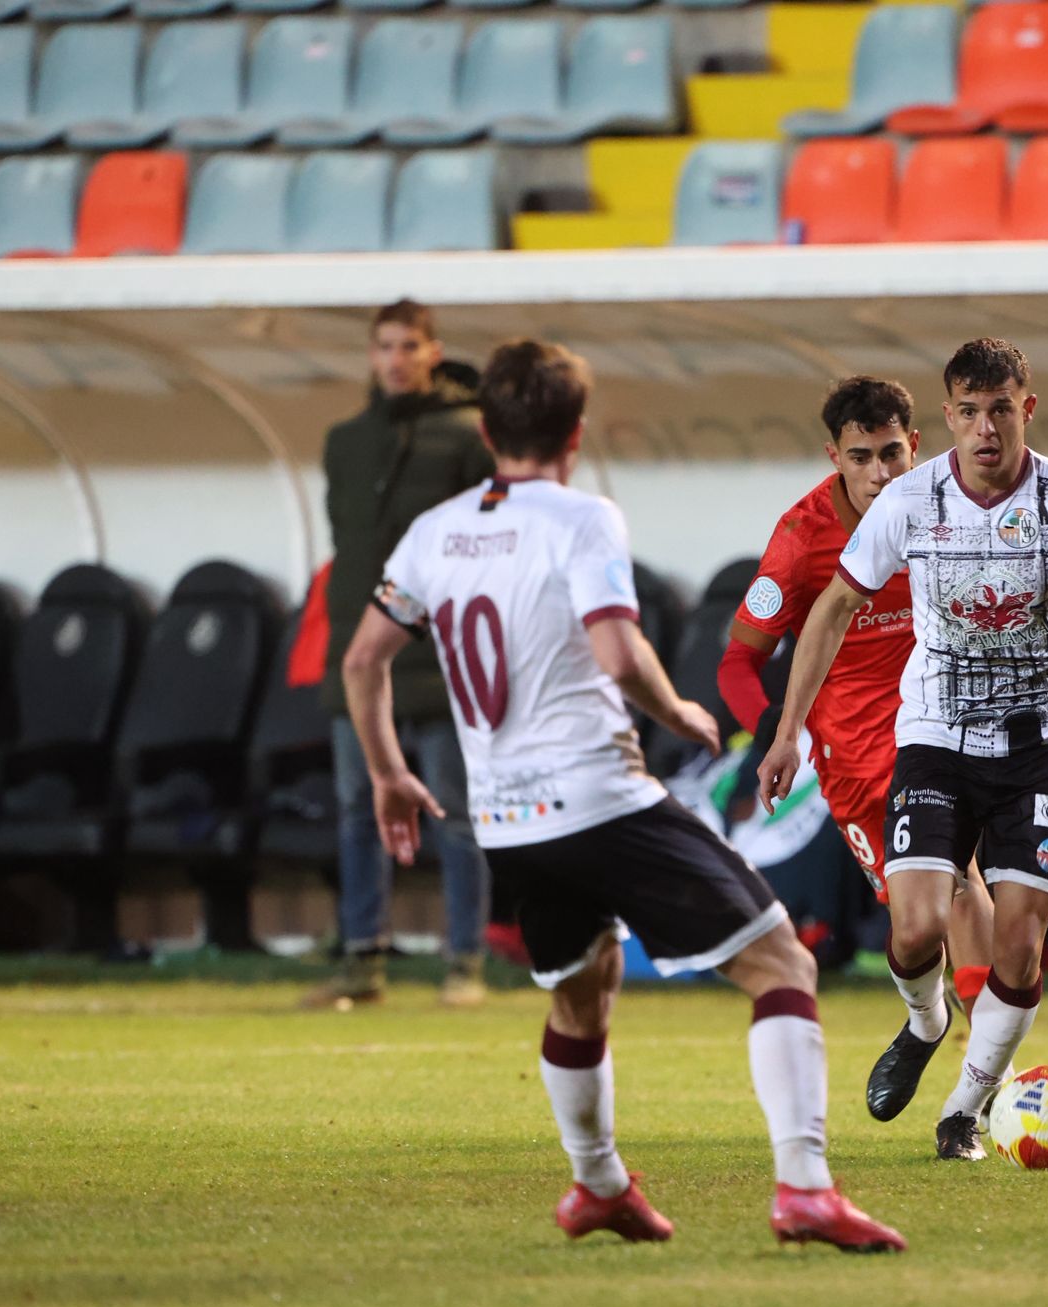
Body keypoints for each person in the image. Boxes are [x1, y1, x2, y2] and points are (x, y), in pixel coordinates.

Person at [339, 339, 904, 1251]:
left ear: (486, 432)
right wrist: (677, 707)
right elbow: (613, 649)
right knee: (781, 968)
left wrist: (386, 771)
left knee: (582, 992)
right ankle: (804, 1188)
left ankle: (598, 1186)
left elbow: (363, 659)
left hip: (505, 818)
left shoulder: (433, 532)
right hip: (599, 798)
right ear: (577, 434)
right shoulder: (581, 517)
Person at [758, 337, 1048, 1161]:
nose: (987, 428)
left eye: (1002, 410)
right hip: (939, 735)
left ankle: (964, 1110)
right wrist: (788, 729)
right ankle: (925, 1018)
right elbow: (833, 609)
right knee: (913, 931)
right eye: (971, 412)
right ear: (947, 418)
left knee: (1017, 939)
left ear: (1028, 409)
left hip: (1045, 741)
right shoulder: (911, 501)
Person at [717, 377, 994, 1016]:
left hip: (942, 726)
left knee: (960, 879)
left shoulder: (956, 508)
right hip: (855, 755)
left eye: (892, 453)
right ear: (834, 458)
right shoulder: (801, 537)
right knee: (915, 925)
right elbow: (738, 662)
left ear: (916, 445)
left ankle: (989, 1066)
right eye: (860, 458)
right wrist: (774, 731)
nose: (879, 474)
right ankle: (927, 1021)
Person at [306, 299, 495, 1010]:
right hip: (361, 648)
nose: (395, 358)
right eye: (384, 346)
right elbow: (346, 546)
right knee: (357, 809)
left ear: (433, 352)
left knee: (456, 814)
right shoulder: (344, 441)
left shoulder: (469, 436)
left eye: (409, 345)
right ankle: (361, 959)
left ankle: (464, 962)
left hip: (444, 656)